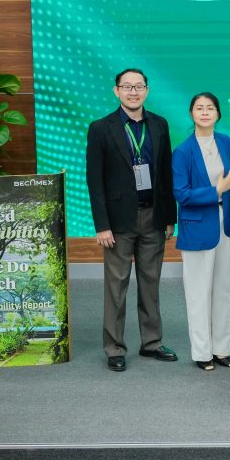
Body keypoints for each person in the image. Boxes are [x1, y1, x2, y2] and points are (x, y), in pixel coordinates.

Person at [85, 67, 178, 372]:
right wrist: (101, 225)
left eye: (139, 86)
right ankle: (114, 347)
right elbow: (94, 180)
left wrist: (170, 217)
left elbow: (165, 174)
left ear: (147, 91)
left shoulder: (160, 125)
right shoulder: (101, 128)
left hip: (154, 217)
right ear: (117, 91)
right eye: (127, 86)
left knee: (151, 284)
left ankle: (151, 343)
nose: (133, 92)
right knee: (116, 287)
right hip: (118, 221)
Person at [171, 91, 230, 371]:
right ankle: (202, 352)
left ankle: (222, 349)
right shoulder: (183, 151)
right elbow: (181, 193)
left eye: (210, 108)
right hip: (197, 226)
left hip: (225, 223)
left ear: (218, 114)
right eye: (199, 108)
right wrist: (215, 190)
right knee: (199, 292)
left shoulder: (226, 143)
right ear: (191, 113)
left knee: (224, 289)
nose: (205, 112)